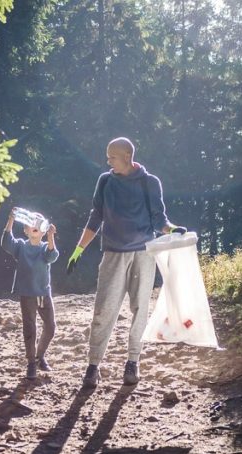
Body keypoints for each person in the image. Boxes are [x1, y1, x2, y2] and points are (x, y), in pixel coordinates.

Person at [67, 137, 186, 388]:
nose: (107, 161)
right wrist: (78, 250)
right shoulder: (106, 181)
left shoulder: (149, 183)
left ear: (127, 157)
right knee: (103, 310)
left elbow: (159, 220)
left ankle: (133, 362)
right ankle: (93, 366)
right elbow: (95, 216)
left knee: (140, 309)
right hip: (112, 254)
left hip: (143, 254)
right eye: (107, 156)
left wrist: (173, 230)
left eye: (112, 157)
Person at [1, 207, 59, 380]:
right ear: (25, 230)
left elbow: (52, 256)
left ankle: (39, 356)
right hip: (27, 294)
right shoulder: (20, 246)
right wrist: (11, 220)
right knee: (30, 328)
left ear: (42, 230)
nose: (34, 225)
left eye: (38, 223)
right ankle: (31, 363)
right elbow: (6, 242)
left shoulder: (44, 248)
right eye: (30, 223)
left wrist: (51, 236)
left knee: (50, 327)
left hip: (43, 293)